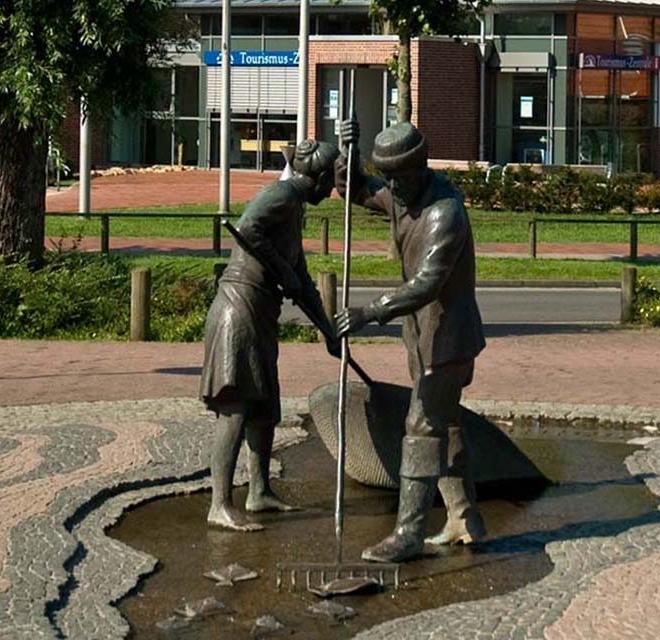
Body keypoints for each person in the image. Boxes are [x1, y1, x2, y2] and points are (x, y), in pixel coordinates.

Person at [333, 120, 488, 563]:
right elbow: (358, 191)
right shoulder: (404, 195)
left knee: (421, 428)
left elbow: (426, 284)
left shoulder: (445, 213)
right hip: (422, 336)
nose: (393, 186)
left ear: (420, 166)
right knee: (447, 423)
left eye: (399, 176)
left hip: (447, 338)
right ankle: (464, 518)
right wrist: (350, 151)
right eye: (390, 176)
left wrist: (370, 311)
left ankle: (408, 533)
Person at [200, 140, 341, 531]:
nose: (331, 192)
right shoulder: (281, 194)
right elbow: (246, 228)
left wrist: (329, 331)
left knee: (263, 408)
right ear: (320, 177)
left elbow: (303, 281)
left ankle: (259, 491)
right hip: (238, 309)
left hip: (261, 312)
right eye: (331, 182)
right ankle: (220, 504)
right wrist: (284, 269)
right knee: (236, 405)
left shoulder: (294, 210)